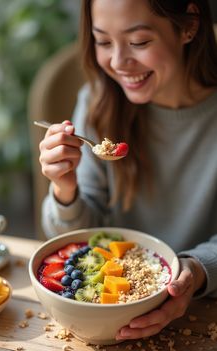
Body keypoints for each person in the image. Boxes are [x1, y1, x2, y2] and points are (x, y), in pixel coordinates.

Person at [38, 0, 217, 341]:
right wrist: (65, 188)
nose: (119, 62)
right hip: (109, 320)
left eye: (139, 42)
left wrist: (195, 270)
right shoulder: (96, 103)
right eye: (103, 42)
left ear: (189, 25)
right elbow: (80, 244)